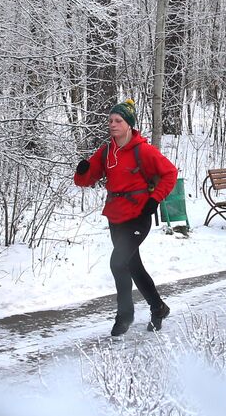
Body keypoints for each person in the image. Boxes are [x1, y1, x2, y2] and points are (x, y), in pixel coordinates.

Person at [73, 99, 179, 336]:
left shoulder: (144, 150)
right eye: (110, 120)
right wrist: (81, 172)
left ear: (129, 124)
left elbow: (170, 173)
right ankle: (158, 307)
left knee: (118, 263)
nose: (112, 124)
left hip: (139, 215)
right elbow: (86, 180)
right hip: (115, 215)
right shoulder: (107, 151)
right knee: (133, 266)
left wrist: (154, 201)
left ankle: (125, 316)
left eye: (118, 120)